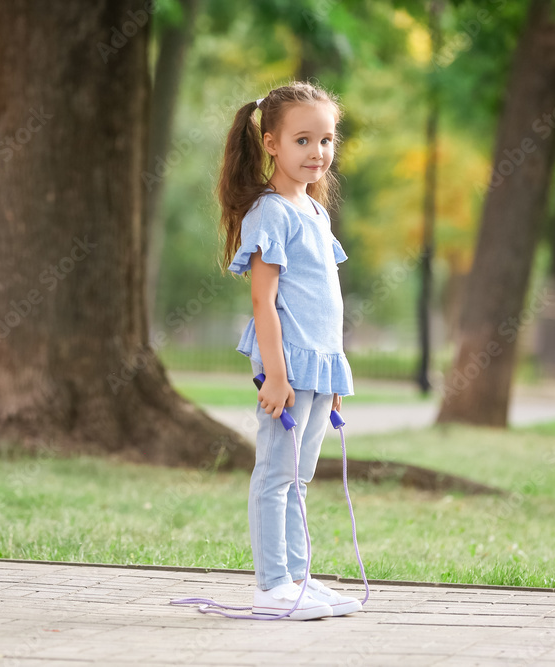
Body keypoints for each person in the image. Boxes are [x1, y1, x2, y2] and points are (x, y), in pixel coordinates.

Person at [217, 81, 362, 620]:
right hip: (286, 364)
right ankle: (271, 585)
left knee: (299, 478)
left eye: (327, 140)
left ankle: (300, 579)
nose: (318, 152)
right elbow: (264, 303)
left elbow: (326, 304)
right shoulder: (271, 213)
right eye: (304, 140)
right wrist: (275, 375)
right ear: (272, 143)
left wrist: (332, 384)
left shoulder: (316, 215)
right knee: (276, 474)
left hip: (318, 369)